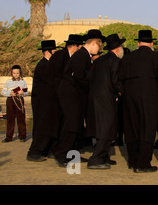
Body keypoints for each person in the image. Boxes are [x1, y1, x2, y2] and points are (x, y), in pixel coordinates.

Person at [119, 30, 158, 173]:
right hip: (150, 96)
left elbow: (119, 79)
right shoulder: (157, 58)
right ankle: (143, 164)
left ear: (138, 43)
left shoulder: (127, 58)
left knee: (131, 128)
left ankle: (133, 160)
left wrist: (123, 92)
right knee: (147, 129)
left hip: (129, 96)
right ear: (152, 43)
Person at [53, 29, 105, 167]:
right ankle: (61, 153)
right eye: (99, 46)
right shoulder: (82, 55)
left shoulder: (83, 55)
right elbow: (78, 76)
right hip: (71, 94)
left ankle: (70, 152)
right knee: (72, 123)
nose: (99, 49)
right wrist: (92, 86)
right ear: (94, 43)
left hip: (74, 94)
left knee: (74, 124)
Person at [87, 34, 125, 170]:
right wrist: (123, 91)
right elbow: (115, 81)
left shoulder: (99, 61)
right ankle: (96, 158)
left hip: (95, 98)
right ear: (117, 48)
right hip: (107, 99)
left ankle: (104, 155)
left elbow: (90, 77)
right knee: (106, 128)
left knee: (102, 127)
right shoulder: (115, 61)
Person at [27, 40, 59, 161]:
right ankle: (35, 151)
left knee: (50, 125)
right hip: (43, 102)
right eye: (54, 50)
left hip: (48, 101)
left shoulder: (47, 64)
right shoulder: (43, 65)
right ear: (49, 51)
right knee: (43, 126)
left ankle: (48, 149)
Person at [1, 65, 30, 142]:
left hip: (19, 100)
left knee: (21, 118)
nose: (16, 74)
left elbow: (26, 92)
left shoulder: (23, 82)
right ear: (11, 73)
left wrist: (22, 92)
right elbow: (2, 92)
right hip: (10, 100)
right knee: (10, 118)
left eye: (17, 73)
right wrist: (10, 93)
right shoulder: (8, 82)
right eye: (14, 73)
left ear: (20, 73)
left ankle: (22, 135)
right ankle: (9, 136)